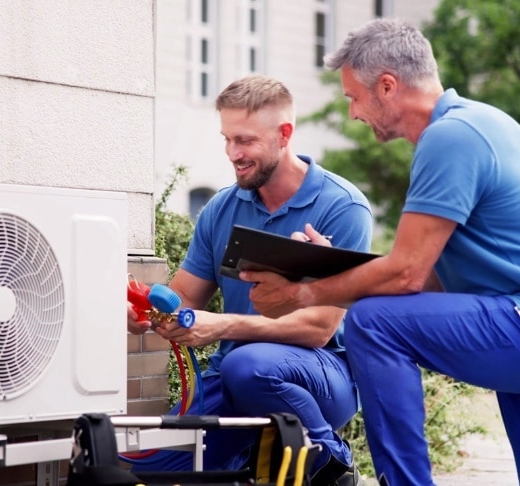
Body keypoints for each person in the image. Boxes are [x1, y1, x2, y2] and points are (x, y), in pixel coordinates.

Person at [242, 18, 520, 486]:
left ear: (388, 86)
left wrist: (303, 295)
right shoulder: (475, 125)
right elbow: (431, 280)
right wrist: (325, 270)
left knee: (373, 324)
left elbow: (406, 278)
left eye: (353, 97)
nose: (354, 113)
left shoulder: (451, 136)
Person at [127, 75, 373, 486]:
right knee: (149, 465)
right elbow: (186, 297)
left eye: (244, 141)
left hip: (326, 374)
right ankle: (256, 459)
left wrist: (222, 326)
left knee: (248, 365)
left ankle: (333, 467)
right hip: (233, 375)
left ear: (284, 135)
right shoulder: (221, 209)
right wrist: (153, 314)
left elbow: (318, 329)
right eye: (227, 139)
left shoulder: (341, 207)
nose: (232, 153)